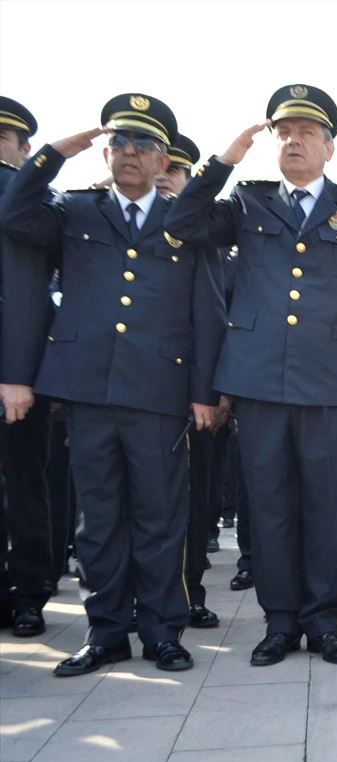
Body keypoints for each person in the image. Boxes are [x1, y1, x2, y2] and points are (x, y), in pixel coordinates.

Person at [164, 84, 337, 665]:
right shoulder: (246, 201)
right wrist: (224, 160)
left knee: (330, 505)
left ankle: (324, 621)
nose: (293, 141)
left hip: (331, 380)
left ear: (329, 147)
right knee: (267, 505)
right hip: (260, 380)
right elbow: (184, 222)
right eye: (283, 132)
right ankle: (280, 622)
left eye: (306, 132)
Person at [0, 93, 225, 674]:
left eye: (144, 145)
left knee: (159, 516)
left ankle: (160, 628)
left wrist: (203, 390)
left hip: (158, 391)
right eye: (120, 142)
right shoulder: (74, 211)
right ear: (105, 151)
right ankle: (104, 632)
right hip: (88, 391)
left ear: (162, 159)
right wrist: (52, 153)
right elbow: (13, 213)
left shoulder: (185, 218)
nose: (130, 153)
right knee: (96, 520)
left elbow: (206, 310)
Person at [156, 132, 227, 630]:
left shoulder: (203, 236)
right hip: (125, 389)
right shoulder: (101, 217)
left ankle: (187, 593)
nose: (162, 175)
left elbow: (215, 317)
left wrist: (213, 391)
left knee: (189, 502)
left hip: (189, 394)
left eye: (175, 171)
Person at [0, 96, 60, 637]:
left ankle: (29, 592)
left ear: (25, 151)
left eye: (3, 141)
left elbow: (31, 297)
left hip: (19, 370)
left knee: (25, 484)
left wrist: (19, 372)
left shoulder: (35, 205)